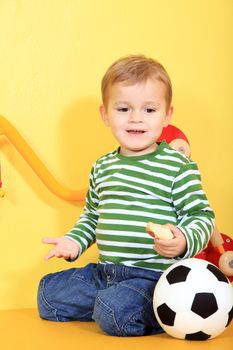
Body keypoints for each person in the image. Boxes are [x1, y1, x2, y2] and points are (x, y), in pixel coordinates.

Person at [37, 55, 215, 336]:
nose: (135, 118)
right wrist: (74, 242)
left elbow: (201, 216)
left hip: (152, 276)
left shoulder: (177, 166)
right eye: (123, 108)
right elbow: (92, 215)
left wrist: (182, 240)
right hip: (104, 273)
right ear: (105, 114)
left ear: (167, 115)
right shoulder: (102, 166)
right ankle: (107, 302)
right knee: (47, 295)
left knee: (113, 313)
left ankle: (162, 308)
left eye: (149, 110)